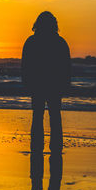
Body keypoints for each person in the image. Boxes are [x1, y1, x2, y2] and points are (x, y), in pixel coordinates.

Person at [22, 11, 71, 153]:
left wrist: (26, 82)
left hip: (37, 84)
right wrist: (65, 84)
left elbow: (25, 65)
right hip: (54, 85)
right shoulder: (60, 42)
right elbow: (66, 67)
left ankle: (37, 147)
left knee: (37, 116)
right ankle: (56, 148)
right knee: (55, 116)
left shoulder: (32, 41)